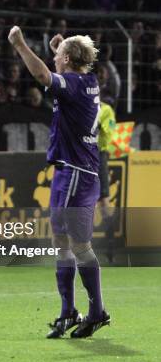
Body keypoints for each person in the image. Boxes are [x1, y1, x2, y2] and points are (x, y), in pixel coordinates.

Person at [8, 26, 110, 338]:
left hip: (76, 173)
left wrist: (20, 44)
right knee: (62, 243)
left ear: (66, 59)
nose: (54, 60)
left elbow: (43, 77)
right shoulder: (86, 80)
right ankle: (69, 310)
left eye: (58, 56)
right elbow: (61, 73)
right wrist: (61, 53)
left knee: (78, 245)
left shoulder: (74, 84)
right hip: (72, 171)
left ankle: (96, 311)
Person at [96, 101, 117, 263]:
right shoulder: (80, 104)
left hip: (98, 156)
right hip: (80, 156)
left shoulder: (106, 110)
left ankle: (110, 245)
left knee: (104, 202)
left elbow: (109, 132)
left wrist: (95, 124)